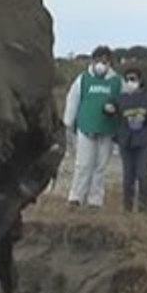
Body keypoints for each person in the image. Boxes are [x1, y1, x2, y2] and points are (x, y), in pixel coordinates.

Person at [63, 46, 122, 209]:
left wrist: (116, 112)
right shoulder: (83, 79)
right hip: (85, 127)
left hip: (107, 129)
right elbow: (73, 100)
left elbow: (124, 102)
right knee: (83, 164)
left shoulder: (117, 81)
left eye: (106, 61)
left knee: (100, 166)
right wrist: (68, 122)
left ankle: (95, 201)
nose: (102, 64)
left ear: (110, 63)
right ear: (92, 61)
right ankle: (75, 197)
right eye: (98, 60)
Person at [115, 67, 147, 213]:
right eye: (127, 79)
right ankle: (127, 208)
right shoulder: (121, 98)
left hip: (145, 140)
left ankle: (143, 208)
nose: (130, 82)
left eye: (133, 79)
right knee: (127, 176)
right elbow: (114, 115)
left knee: (142, 173)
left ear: (140, 79)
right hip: (126, 141)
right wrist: (108, 109)